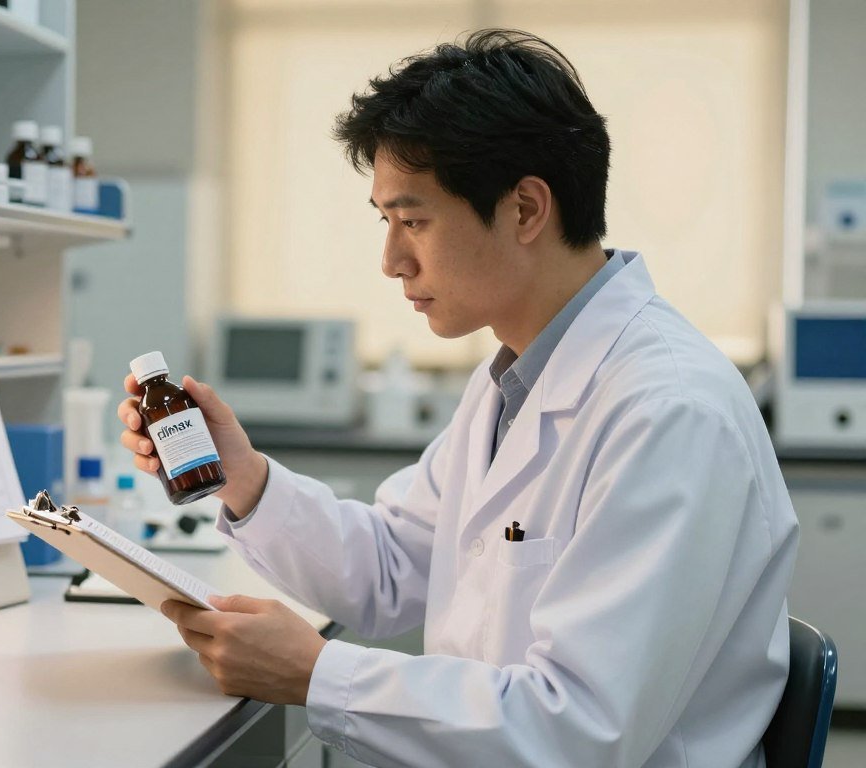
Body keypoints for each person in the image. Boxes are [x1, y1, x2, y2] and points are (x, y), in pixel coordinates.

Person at [117, 29, 798, 768]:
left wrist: (320, 675)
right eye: (386, 222)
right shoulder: (514, 380)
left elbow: (579, 732)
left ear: (526, 210)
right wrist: (242, 477)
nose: (391, 261)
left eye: (414, 221)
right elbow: (389, 566)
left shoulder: (668, 413)